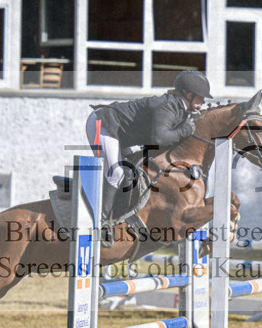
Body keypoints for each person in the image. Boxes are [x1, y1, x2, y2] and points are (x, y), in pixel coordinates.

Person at [85, 69, 212, 221]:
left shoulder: (181, 110)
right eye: (200, 98)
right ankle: (100, 222)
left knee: (132, 171)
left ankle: (118, 217)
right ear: (188, 95)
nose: (202, 103)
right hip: (104, 124)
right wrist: (186, 129)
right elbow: (159, 139)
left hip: (121, 135)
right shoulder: (168, 107)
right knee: (116, 173)